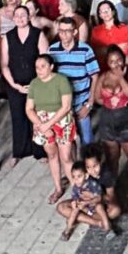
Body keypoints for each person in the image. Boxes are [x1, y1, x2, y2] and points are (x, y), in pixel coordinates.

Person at [91, 46, 128, 206]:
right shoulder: (104, 77)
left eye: (119, 60)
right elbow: (97, 98)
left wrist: (121, 78)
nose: (116, 64)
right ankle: (112, 189)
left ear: (124, 60)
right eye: (112, 61)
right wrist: (111, 102)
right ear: (107, 63)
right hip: (108, 122)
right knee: (111, 158)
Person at [27, 54, 75, 204]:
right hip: (42, 121)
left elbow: (66, 107)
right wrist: (41, 125)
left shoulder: (61, 81)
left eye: (43, 66)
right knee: (52, 156)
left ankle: (76, 190)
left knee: (66, 157)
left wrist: (50, 124)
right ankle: (58, 188)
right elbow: (29, 109)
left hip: (61, 120)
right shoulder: (34, 84)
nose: (39, 70)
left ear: (51, 67)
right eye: (37, 67)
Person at [48, 16, 100, 146]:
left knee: (87, 141)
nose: (63, 35)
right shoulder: (52, 50)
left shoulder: (85, 50)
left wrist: (89, 104)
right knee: (67, 142)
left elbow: (94, 76)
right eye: (60, 31)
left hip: (81, 102)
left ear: (75, 32)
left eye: (67, 31)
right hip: (62, 105)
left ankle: (88, 164)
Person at [60, 160, 113, 241]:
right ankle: (67, 230)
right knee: (74, 210)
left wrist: (87, 202)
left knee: (100, 208)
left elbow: (98, 197)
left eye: (79, 176)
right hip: (84, 207)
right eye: (73, 177)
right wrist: (74, 202)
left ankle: (108, 228)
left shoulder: (93, 184)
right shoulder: (76, 187)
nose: (76, 179)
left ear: (86, 176)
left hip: (94, 205)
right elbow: (75, 197)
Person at [90, 1, 128, 71]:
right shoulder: (96, 31)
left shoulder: (124, 28)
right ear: (99, 15)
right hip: (103, 68)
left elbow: (125, 49)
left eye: (107, 10)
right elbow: (96, 52)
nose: (105, 13)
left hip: (122, 66)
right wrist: (117, 47)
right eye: (102, 11)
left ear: (113, 12)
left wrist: (105, 49)